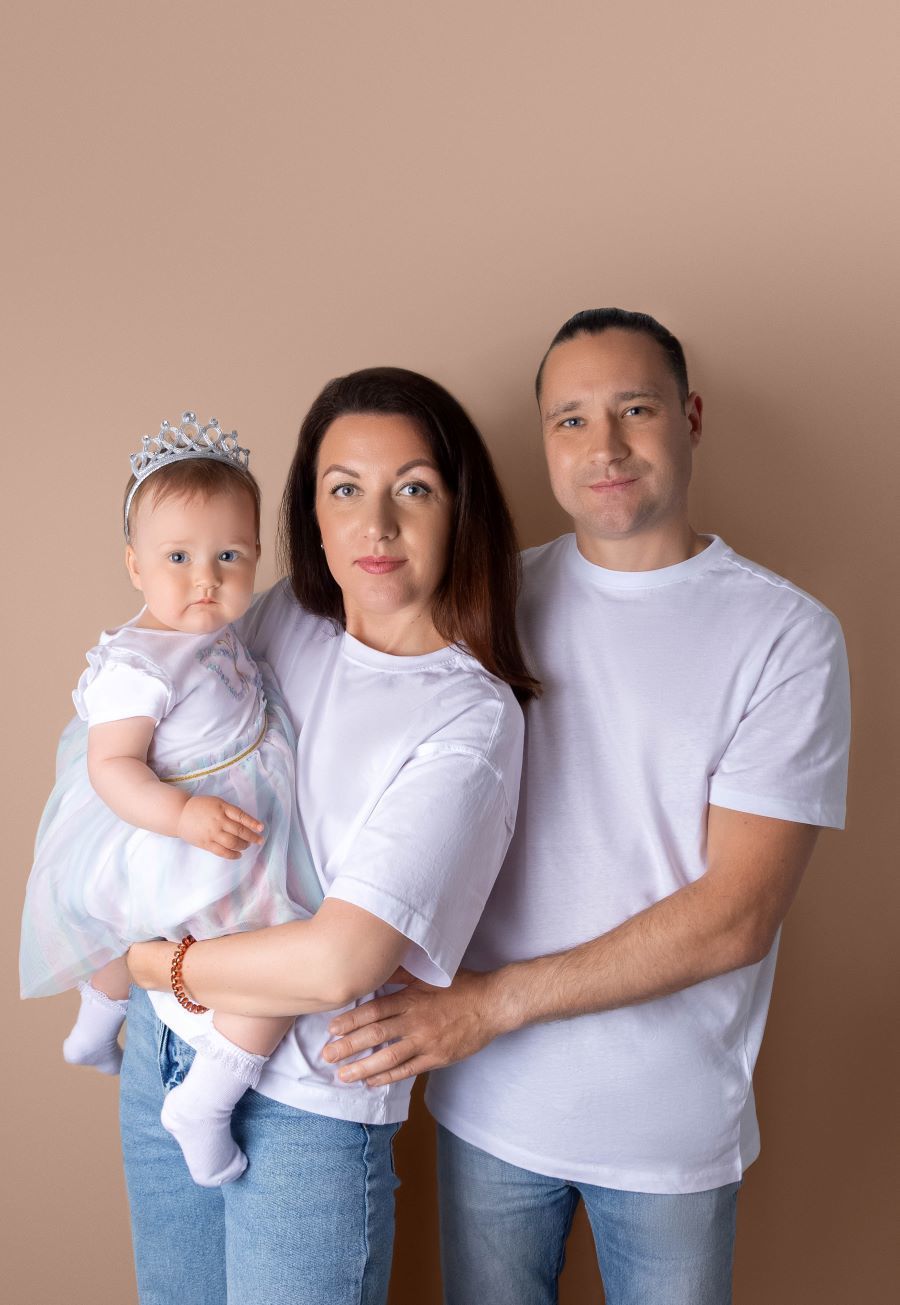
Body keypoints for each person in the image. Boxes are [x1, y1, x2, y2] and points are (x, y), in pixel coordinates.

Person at [323, 310, 852, 1305]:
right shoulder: (488, 604)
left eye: (634, 410)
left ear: (689, 418)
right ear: (545, 445)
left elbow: (737, 915)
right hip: (486, 1112)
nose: (603, 446)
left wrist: (488, 1006)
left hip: (668, 1134)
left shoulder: (787, 636)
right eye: (570, 420)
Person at [125, 366, 535, 1304]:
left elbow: (336, 964)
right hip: (164, 1057)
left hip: (305, 1103)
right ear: (310, 512)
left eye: (414, 489)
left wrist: (155, 964)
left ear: (459, 509)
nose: (375, 524)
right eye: (344, 488)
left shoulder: (471, 720)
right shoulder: (281, 620)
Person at [20, 413, 322, 1188]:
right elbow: (112, 766)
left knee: (134, 936)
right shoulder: (138, 665)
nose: (205, 579)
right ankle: (206, 1100)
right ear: (134, 564)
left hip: (218, 822)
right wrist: (184, 816)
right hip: (173, 828)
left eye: (230, 556)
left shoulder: (220, 633)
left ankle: (96, 1025)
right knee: (281, 956)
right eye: (179, 557)